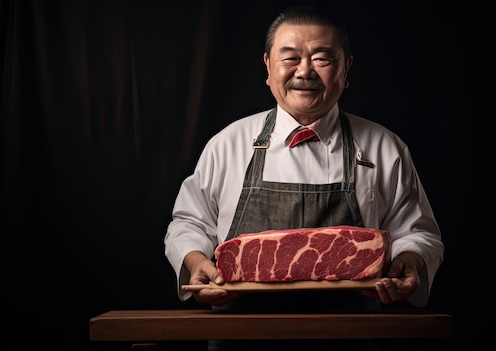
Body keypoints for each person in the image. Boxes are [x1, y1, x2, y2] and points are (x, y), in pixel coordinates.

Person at [164, 4, 444, 350]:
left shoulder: (385, 147)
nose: (305, 72)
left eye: (322, 59)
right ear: (268, 66)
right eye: (290, 58)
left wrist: (409, 261)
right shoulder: (228, 144)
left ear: (346, 68)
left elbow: (417, 232)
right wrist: (196, 261)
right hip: (242, 338)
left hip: (352, 337)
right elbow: (188, 222)